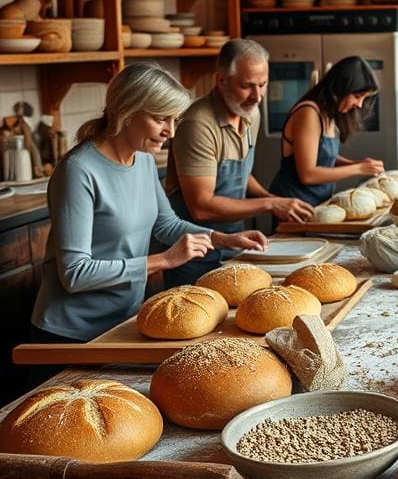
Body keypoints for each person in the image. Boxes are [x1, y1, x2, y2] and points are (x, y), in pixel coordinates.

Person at [32, 62, 267, 344]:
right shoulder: (79, 170)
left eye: (175, 119)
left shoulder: (141, 157)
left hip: (124, 321)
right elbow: (75, 273)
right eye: (160, 119)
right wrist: (164, 260)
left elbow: (166, 224)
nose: (171, 131)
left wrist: (224, 239)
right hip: (71, 333)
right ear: (127, 112)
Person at [165, 39, 312, 286]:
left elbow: (239, 173)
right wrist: (270, 203)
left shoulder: (249, 113)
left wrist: (275, 202)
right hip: (195, 252)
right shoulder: (198, 124)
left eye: (263, 85)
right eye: (247, 86)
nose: (257, 96)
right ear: (221, 80)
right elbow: (201, 206)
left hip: (236, 241)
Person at [269, 56, 384, 205]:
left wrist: (355, 164)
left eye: (364, 98)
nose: (360, 105)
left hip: (317, 202)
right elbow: (308, 174)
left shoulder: (328, 113)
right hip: (294, 206)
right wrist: (359, 169)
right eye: (357, 96)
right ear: (339, 87)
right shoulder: (309, 113)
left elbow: (324, 156)